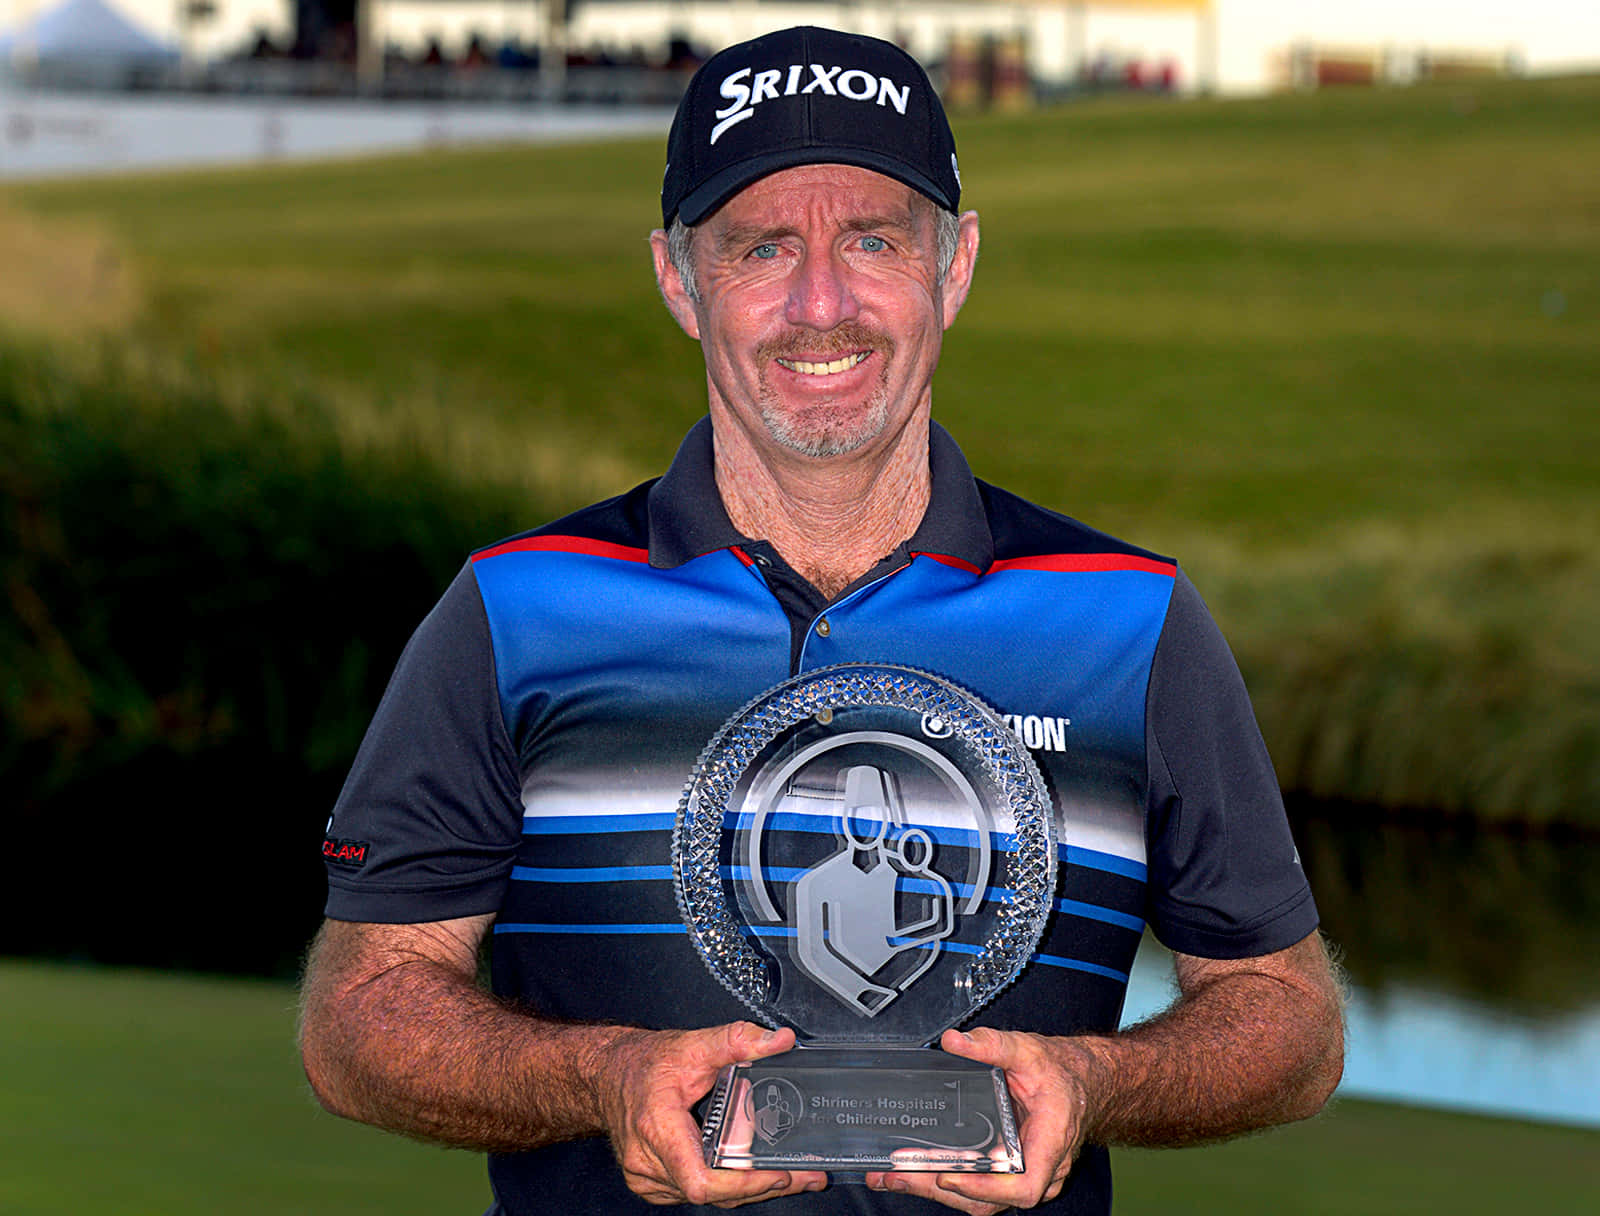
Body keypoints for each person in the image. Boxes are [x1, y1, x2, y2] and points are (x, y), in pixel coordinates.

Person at [299, 25, 1343, 1216]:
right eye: (759, 247)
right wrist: (602, 1078)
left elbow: (1289, 1020)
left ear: (953, 269)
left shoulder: (1127, 618)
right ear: (676, 280)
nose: (820, 304)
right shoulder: (517, 608)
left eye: (872, 239)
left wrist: (1097, 1083)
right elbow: (359, 1012)